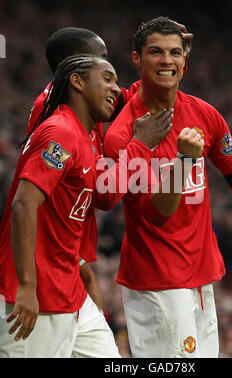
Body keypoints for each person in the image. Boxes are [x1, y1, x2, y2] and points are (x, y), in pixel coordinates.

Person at [103, 17, 232, 358]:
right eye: (155, 52)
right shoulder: (125, 132)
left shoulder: (205, 114)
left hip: (201, 275)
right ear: (136, 59)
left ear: (185, 61)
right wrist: (186, 161)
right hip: (157, 282)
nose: (166, 61)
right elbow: (155, 214)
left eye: (175, 52)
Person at [0, 52, 203, 357]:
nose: (114, 89)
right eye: (107, 78)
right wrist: (27, 287)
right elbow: (23, 205)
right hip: (35, 296)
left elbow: (104, 197)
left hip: (70, 292)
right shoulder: (60, 131)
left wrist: (83, 269)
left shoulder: (85, 137)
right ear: (77, 81)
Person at [25, 26, 192, 310]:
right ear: (76, 72)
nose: (112, 83)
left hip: (66, 255)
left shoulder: (76, 106)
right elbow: (104, 196)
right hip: (45, 265)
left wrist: (166, 60)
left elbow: (136, 97)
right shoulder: (58, 116)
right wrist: (139, 144)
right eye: (102, 65)